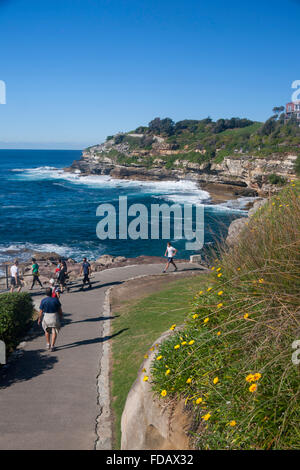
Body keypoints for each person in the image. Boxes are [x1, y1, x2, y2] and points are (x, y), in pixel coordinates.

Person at [38, 287, 63, 352]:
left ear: (45, 293)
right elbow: (60, 310)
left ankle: (48, 343)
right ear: (52, 292)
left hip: (46, 316)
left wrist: (39, 319)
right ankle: (52, 346)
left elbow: (40, 311)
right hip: (54, 316)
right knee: (54, 331)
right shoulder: (55, 300)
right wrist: (61, 316)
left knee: (47, 330)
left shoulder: (43, 300)